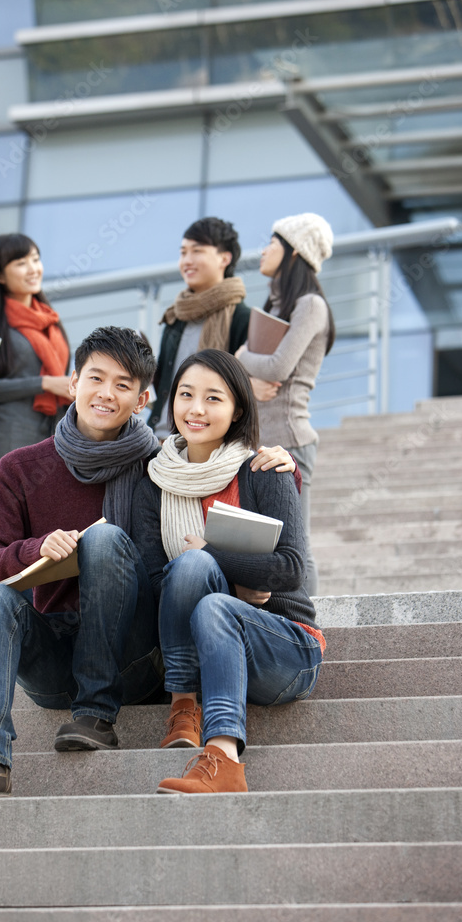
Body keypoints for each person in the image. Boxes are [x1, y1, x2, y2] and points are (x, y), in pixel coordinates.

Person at [0, 326, 165, 799]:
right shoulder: (21, 468)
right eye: (96, 378)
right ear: (72, 384)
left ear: (143, 398)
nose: (106, 394)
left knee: (105, 538)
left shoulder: (161, 464)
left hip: (133, 653)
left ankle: (97, 714)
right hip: (53, 658)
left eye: (123, 384)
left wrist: (279, 463)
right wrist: (35, 548)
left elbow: (229, 465)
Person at [132, 349, 325, 795]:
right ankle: (183, 707)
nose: (196, 409)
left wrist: (215, 557)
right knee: (196, 571)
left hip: (284, 646)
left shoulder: (264, 469)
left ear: (237, 408)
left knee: (209, 584)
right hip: (207, 648)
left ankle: (222, 758)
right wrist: (229, 578)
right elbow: (156, 582)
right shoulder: (153, 484)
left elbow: (292, 569)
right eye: (185, 395)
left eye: (213, 398)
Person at [236, 213, 335, 596]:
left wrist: (241, 355)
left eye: (272, 243)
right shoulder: (278, 306)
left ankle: (305, 625)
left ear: (295, 251)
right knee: (265, 547)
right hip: (261, 441)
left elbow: (279, 366)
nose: (263, 250)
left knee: (298, 547)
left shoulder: (310, 305)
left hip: (290, 441)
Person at [0, 233, 71, 495]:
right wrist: (44, 383)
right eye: (21, 263)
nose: (33, 269)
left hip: (56, 444)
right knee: (10, 534)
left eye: (35, 259)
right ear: (0, 276)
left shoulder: (51, 322)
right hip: (8, 444)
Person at [148, 216, 250, 440]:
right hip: (161, 438)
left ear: (224, 258)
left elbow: (248, 391)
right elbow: (167, 382)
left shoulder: (243, 319)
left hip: (210, 446)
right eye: (183, 253)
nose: (187, 260)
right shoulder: (176, 316)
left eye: (197, 251)